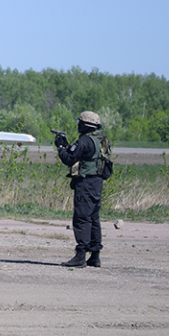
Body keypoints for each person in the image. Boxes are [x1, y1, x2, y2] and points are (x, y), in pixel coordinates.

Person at [55, 111, 107, 268]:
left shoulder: (84, 140)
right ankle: (95, 255)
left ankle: (80, 255)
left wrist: (60, 147)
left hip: (85, 183)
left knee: (82, 218)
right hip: (97, 183)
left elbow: (69, 159)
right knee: (93, 218)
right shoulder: (100, 140)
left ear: (84, 125)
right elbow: (82, 154)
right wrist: (68, 146)